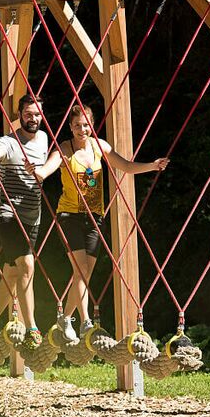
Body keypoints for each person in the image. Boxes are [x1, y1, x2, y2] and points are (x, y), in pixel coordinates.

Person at [26, 104, 169, 338]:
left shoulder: (99, 146)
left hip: (94, 217)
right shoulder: (65, 149)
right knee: (81, 269)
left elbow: (126, 166)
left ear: (91, 125)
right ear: (70, 127)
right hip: (69, 216)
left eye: (86, 125)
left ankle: (65, 318)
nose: (82, 130)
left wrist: (152, 166)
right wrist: (37, 172)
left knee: (85, 273)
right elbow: (46, 170)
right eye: (77, 125)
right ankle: (85, 321)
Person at [0, 94, 49, 347]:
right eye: (28, 114)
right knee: (27, 266)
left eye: (37, 114)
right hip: (7, 213)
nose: (33, 118)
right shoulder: (8, 142)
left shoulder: (44, 138)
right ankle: (32, 329)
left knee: (11, 272)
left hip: (32, 216)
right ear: (19, 115)